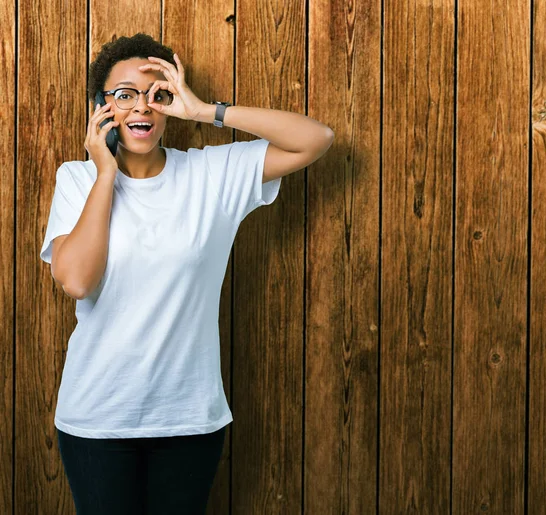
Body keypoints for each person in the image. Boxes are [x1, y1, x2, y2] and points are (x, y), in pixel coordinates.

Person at [39, 32, 334, 514]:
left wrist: (206, 112)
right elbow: (77, 281)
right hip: (97, 418)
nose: (142, 107)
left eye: (158, 94)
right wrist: (106, 173)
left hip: (189, 419)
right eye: (125, 95)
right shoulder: (78, 178)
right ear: (102, 106)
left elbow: (316, 140)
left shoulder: (211, 174)